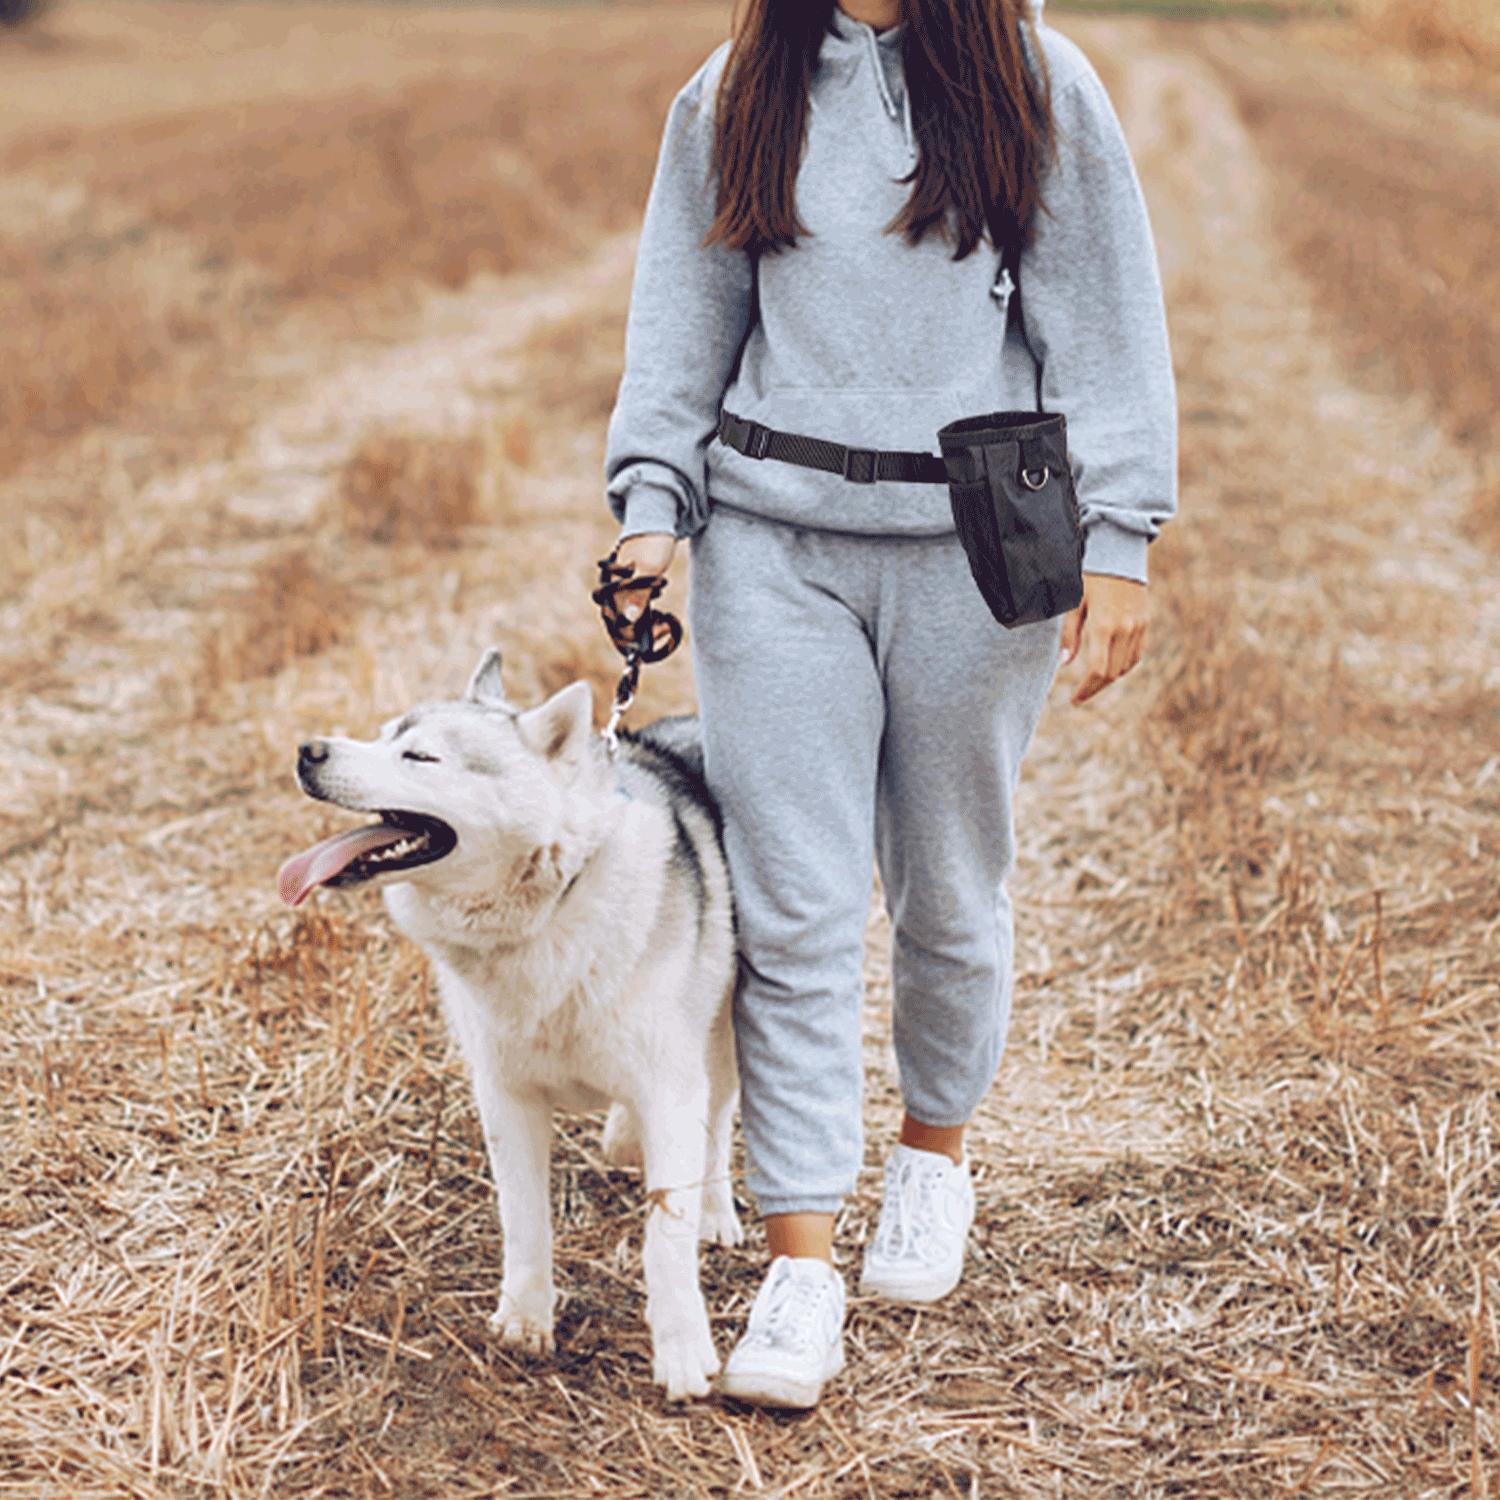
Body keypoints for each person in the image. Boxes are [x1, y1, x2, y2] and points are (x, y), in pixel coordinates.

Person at [600, 0, 1176, 1410]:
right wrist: (649, 510)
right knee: (792, 907)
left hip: (980, 553)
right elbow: (685, 320)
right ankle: (798, 1265)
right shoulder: (738, 88)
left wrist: (1124, 543)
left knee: (946, 888)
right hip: (771, 547)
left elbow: (1105, 323)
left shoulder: (1036, 81)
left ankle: (932, 1158)